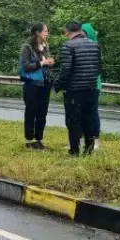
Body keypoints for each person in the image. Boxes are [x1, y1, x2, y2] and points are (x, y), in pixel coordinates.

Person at [55, 21, 103, 156]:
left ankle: (74, 151)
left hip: (74, 90)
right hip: (91, 88)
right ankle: (89, 149)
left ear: (67, 32)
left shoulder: (68, 46)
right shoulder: (95, 45)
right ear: (80, 30)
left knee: (73, 120)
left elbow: (66, 70)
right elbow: (99, 68)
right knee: (88, 119)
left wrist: (59, 85)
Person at [19, 23, 55, 149]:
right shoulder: (27, 47)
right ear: (38, 32)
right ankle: (29, 140)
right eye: (45, 31)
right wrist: (42, 62)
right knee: (31, 111)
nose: (47, 33)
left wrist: (49, 63)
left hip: (45, 83)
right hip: (31, 84)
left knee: (42, 112)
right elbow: (26, 66)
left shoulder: (45, 46)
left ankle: (38, 139)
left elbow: (45, 64)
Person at [80, 22, 102, 151]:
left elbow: (98, 68)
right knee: (80, 113)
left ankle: (96, 141)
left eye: (84, 33)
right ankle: (82, 140)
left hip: (93, 84)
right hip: (82, 84)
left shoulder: (95, 47)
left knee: (92, 113)